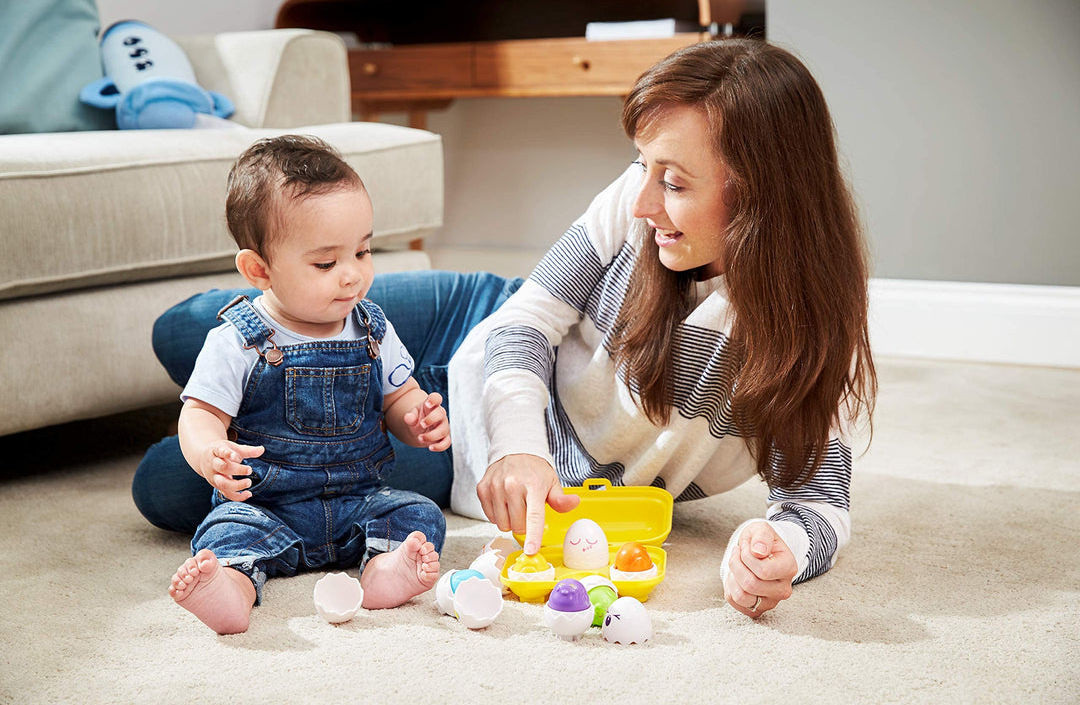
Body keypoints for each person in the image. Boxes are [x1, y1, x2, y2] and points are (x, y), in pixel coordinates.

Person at [136, 38, 876, 622]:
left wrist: (775, 554)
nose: (644, 197)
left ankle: (252, 414)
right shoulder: (636, 199)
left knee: (169, 484)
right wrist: (521, 447)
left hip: (462, 449)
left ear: (762, 194)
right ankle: (233, 389)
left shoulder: (806, 332)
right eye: (641, 167)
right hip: (479, 321)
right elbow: (527, 319)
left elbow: (819, 503)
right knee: (186, 331)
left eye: (675, 183)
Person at [166, 135, 449, 634]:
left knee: (417, 514)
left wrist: (416, 419)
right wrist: (211, 454)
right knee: (225, 531)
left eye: (362, 251)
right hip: (267, 506)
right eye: (326, 263)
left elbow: (398, 399)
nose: (352, 277)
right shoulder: (238, 340)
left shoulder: (372, 328)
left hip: (359, 502)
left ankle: (384, 571)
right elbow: (200, 414)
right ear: (259, 270)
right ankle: (233, 587)